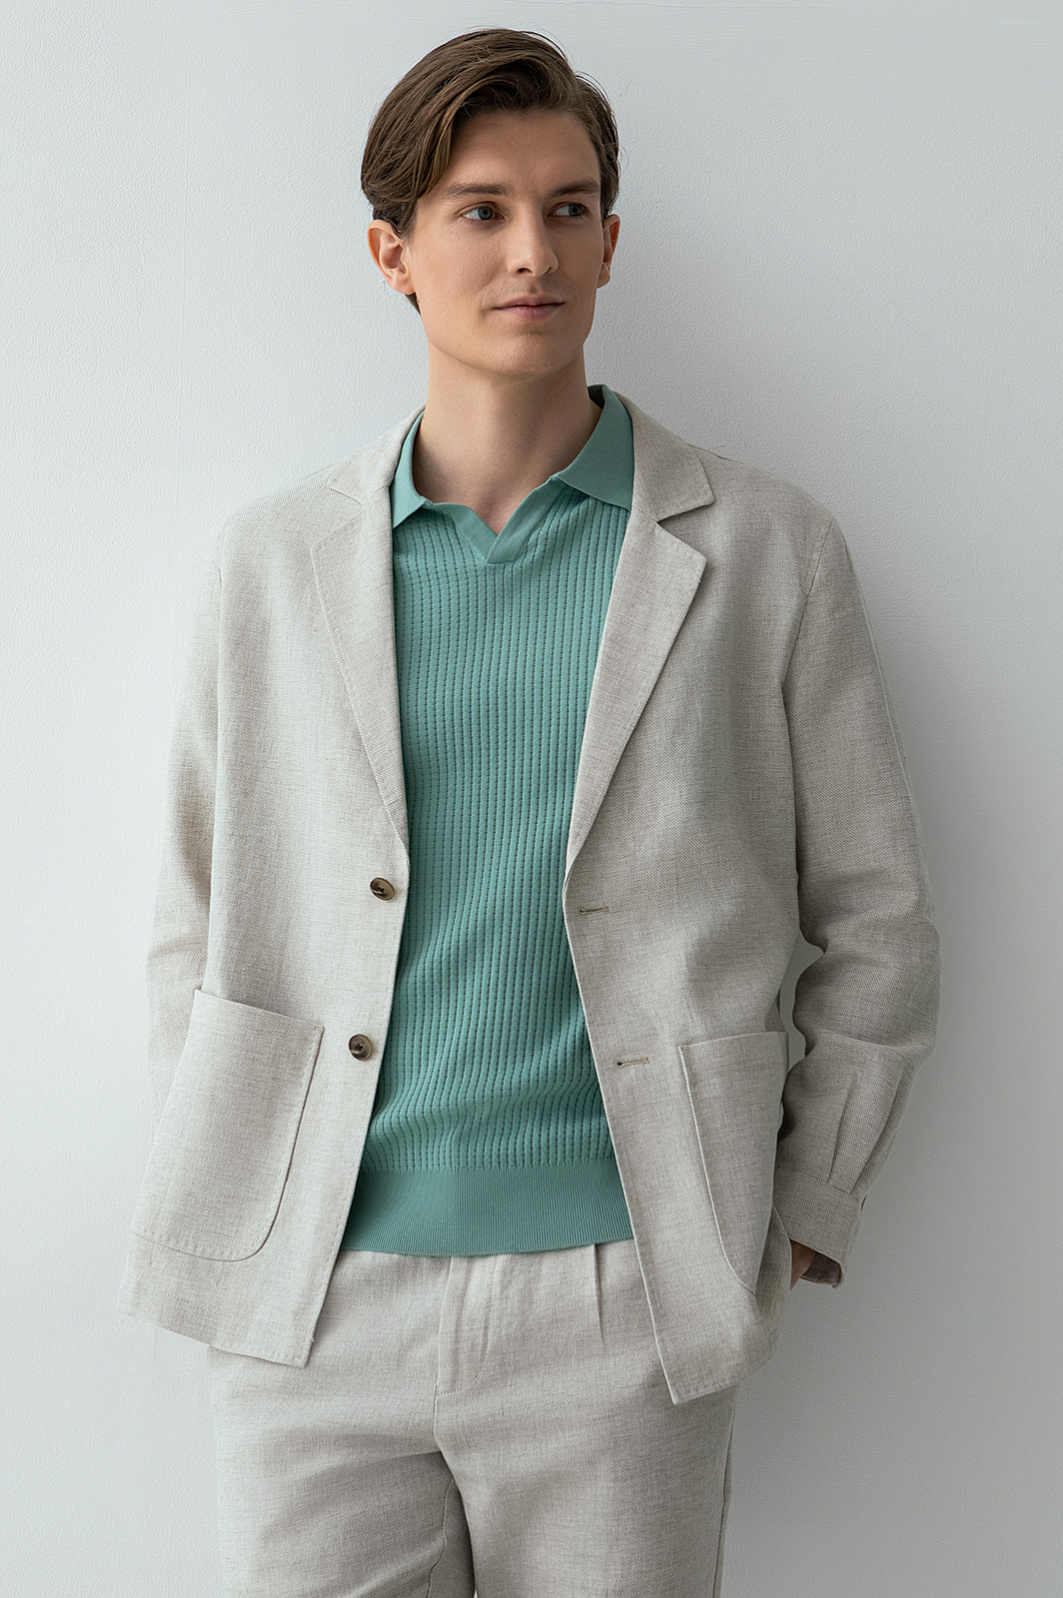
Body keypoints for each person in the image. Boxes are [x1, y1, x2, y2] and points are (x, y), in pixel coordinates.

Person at [118, 27, 939, 1597]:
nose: (532, 252)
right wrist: (246, 1179)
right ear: (393, 253)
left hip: (625, 1290)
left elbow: (879, 916)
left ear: (612, 242)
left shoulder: (762, 549)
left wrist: (804, 1201)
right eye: (482, 211)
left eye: (569, 210)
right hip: (314, 1305)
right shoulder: (272, 564)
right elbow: (192, 915)